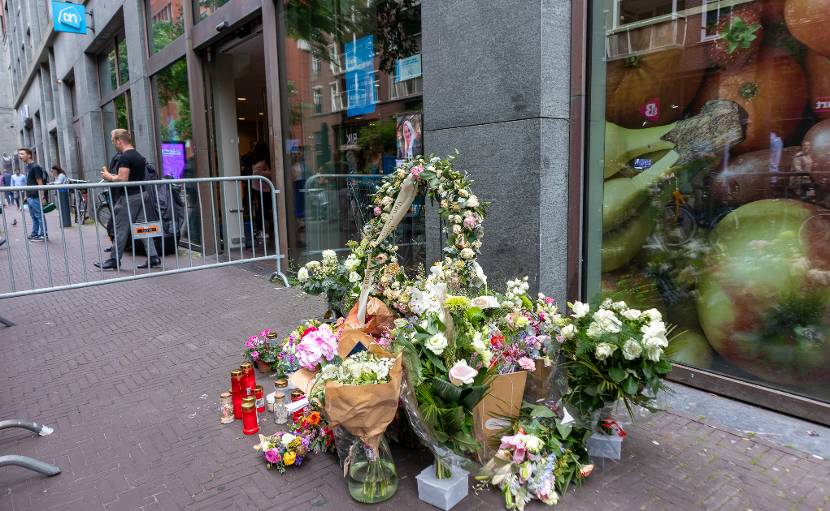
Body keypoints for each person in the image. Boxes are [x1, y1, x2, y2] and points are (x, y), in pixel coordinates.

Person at [94, 129, 160, 270]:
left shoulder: (124, 157)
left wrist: (108, 177)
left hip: (129, 197)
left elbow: (123, 179)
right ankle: (153, 257)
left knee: (120, 229)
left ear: (119, 140)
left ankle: (114, 259)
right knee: (142, 227)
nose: (113, 143)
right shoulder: (138, 156)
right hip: (141, 194)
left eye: (113, 140)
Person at [18, 147, 48, 242]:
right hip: (30, 196)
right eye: (19, 154)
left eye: (22, 154)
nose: (20, 156)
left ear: (29, 155)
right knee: (33, 216)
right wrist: (26, 196)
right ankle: (35, 233)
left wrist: (42, 196)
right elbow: (30, 182)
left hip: (36, 196)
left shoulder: (36, 167)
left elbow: (40, 181)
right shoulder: (28, 166)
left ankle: (43, 234)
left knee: (39, 215)